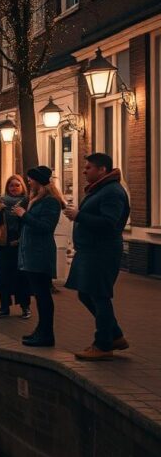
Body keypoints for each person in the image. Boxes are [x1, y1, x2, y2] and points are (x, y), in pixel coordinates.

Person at [63, 153, 130, 360]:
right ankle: (115, 336)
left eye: (88, 167)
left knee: (99, 296)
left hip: (101, 251)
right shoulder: (101, 189)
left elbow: (109, 223)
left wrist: (79, 215)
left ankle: (103, 345)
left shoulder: (112, 192)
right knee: (85, 294)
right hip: (90, 250)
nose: (84, 171)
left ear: (102, 169)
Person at [14, 166, 63, 347]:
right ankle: (41, 330)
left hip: (40, 254)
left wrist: (24, 215)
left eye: (31, 179)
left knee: (43, 295)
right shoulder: (35, 199)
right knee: (39, 294)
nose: (28, 181)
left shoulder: (51, 202)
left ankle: (46, 334)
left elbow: (46, 227)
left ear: (39, 181)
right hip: (30, 253)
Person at [0, 175, 30, 318]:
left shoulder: (27, 202)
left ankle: (25, 307)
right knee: (3, 275)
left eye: (17, 185)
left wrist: (20, 239)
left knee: (22, 276)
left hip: (21, 244)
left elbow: (29, 223)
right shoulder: (1, 201)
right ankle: (4, 306)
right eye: (11, 185)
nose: (14, 188)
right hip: (4, 244)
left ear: (22, 186)